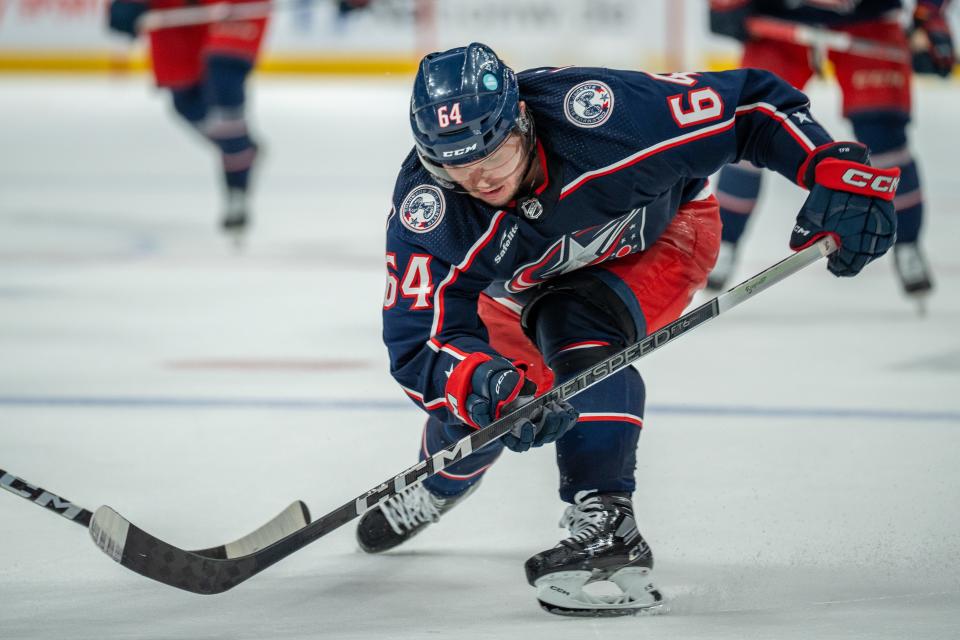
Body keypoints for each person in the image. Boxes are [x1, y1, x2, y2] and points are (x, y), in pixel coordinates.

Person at [357, 42, 897, 616]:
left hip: (657, 243)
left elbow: (750, 107)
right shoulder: (430, 207)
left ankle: (608, 517)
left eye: (493, 154)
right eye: (453, 165)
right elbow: (421, 340)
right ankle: (440, 484)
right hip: (515, 290)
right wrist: (481, 383)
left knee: (573, 327)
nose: (478, 178)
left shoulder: (603, 116)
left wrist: (831, 167)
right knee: (479, 398)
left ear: (523, 121)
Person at [706, 0, 955, 307]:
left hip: (869, 18)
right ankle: (723, 244)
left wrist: (928, 16)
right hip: (779, 20)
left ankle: (907, 244)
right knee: (750, 125)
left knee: (883, 131)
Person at [106, 0, 270, 238]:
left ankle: (237, 184)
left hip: (237, 5)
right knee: (186, 101)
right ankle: (240, 150)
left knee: (224, 74)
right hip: (173, 8)